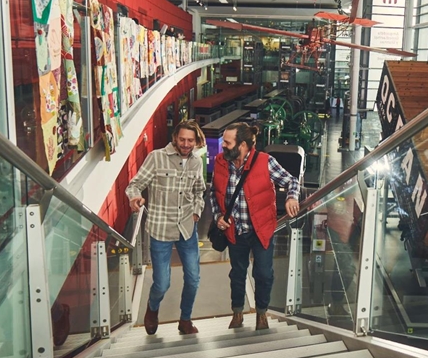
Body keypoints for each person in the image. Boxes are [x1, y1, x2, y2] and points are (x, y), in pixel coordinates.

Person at [210, 123, 300, 330]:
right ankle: (237, 312)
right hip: (235, 232)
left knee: (264, 274)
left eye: (227, 142)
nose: (222, 145)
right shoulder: (221, 163)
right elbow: (213, 193)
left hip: (262, 230)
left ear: (242, 145)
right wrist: (218, 216)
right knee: (237, 273)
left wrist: (291, 198)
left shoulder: (265, 162)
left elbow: (291, 181)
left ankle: (261, 313)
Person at [126, 120, 206, 335]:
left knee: (193, 279)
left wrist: (197, 210)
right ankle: (152, 310)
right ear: (175, 138)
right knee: (162, 283)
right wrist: (135, 198)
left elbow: (199, 190)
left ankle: (185, 320)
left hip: (187, 228)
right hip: (160, 230)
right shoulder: (156, 157)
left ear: (196, 141)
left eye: (190, 140)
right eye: (182, 139)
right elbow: (135, 184)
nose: (186, 144)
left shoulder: (197, 162)